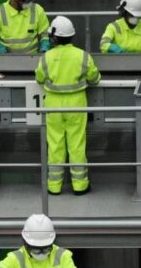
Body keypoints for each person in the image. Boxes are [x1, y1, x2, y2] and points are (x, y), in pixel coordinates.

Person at [35, 16, 101, 195]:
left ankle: (54, 186)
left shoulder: (46, 57)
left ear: (55, 38)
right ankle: (80, 186)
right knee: (77, 145)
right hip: (76, 103)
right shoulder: (82, 56)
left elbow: (39, 78)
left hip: (53, 104)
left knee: (55, 145)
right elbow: (94, 78)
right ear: (72, 36)